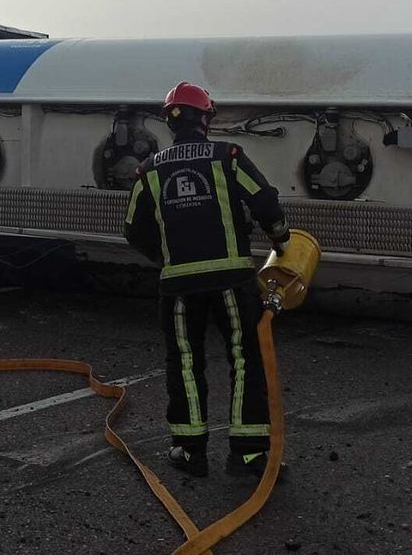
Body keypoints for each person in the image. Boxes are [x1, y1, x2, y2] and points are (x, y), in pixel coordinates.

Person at [124, 82, 291, 478]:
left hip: (177, 286)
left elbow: (132, 229)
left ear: (170, 121)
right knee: (245, 359)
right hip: (231, 280)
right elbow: (264, 200)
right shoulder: (227, 156)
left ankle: (188, 450)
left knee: (183, 363)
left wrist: (164, 257)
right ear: (206, 118)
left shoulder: (149, 170)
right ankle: (249, 455)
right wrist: (281, 239)